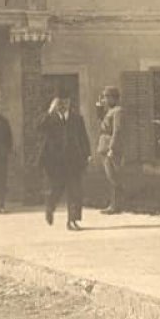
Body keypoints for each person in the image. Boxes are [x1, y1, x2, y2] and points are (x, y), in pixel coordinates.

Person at [37, 89, 91, 231]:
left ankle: (72, 221)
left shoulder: (77, 118)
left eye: (66, 102)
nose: (63, 105)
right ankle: (50, 207)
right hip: (54, 161)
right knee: (56, 189)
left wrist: (87, 154)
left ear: (70, 102)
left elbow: (83, 137)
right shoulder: (50, 118)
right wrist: (50, 111)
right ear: (55, 104)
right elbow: (39, 128)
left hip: (73, 160)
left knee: (75, 191)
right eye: (60, 103)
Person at [98, 86, 125, 215]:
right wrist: (99, 107)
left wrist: (112, 148)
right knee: (111, 177)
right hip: (104, 147)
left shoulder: (118, 111)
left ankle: (116, 205)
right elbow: (102, 123)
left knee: (114, 177)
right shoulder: (109, 111)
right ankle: (114, 204)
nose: (104, 99)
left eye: (106, 97)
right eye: (104, 97)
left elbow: (117, 130)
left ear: (113, 98)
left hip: (110, 148)